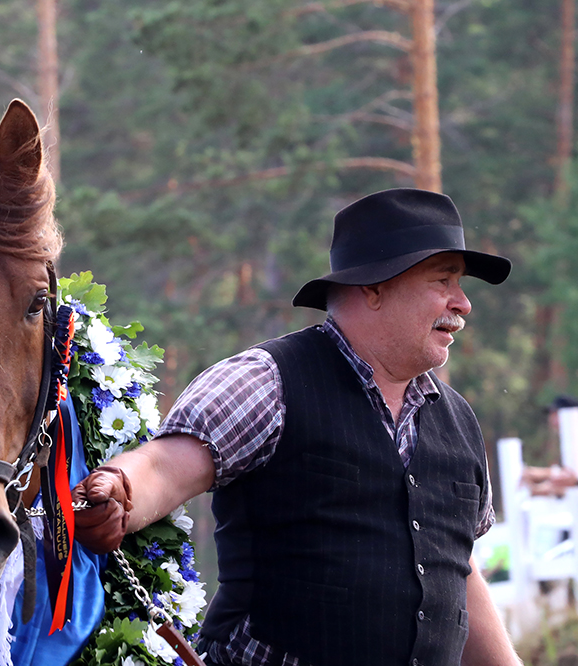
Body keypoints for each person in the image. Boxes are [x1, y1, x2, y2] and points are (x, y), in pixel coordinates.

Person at [73, 188, 522, 666]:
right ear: (374, 287)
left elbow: (454, 568)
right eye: (444, 281)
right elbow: (165, 465)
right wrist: (119, 490)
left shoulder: (458, 420)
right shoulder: (266, 380)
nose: (463, 303)